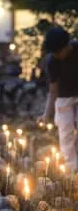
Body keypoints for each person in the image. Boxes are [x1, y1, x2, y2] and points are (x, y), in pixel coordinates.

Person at [37, 27, 78, 172]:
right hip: (63, 97)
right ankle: (72, 170)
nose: (57, 55)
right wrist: (46, 114)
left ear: (67, 45)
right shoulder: (52, 61)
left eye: (59, 51)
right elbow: (53, 90)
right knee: (65, 132)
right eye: (54, 52)